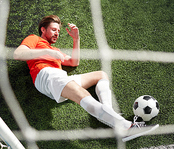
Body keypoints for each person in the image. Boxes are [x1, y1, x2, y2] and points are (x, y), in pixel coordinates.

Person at [13, 15, 158, 140]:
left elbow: (73, 62)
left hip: (56, 77)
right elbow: (18, 54)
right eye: (53, 29)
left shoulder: (55, 50)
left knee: (101, 75)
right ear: (43, 30)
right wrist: (47, 53)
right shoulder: (35, 39)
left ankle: (108, 114)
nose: (56, 33)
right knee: (82, 95)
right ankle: (125, 127)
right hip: (46, 74)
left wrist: (76, 39)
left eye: (58, 31)